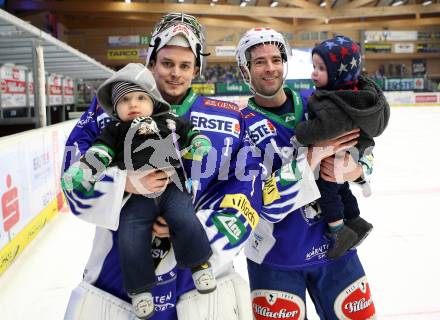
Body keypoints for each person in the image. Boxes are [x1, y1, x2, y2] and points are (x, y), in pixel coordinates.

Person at [62, 13, 261, 320]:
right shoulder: (110, 112)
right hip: (116, 283)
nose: (175, 74)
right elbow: (72, 178)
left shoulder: (231, 117)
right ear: (152, 62)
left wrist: (201, 229)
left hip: (202, 286)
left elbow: (249, 185)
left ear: (197, 68)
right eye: (167, 63)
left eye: (185, 65)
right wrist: (123, 183)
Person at [236, 28, 377, 319]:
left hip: (338, 250)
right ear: (244, 69)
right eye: (259, 61)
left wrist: (357, 170)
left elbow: (365, 150)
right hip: (275, 260)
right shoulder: (237, 126)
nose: (270, 67)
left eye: (276, 58)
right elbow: (260, 202)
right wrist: (311, 158)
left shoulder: (321, 103)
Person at [62, 63, 217, 319]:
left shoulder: (167, 120)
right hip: (135, 196)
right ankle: (140, 290)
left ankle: (200, 263)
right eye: (124, 99)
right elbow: (99, 154)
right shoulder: (112, 130)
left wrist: (198, 142)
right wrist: (83, 170)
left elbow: (189, 133)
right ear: (115, 107)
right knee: (130, 235)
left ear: (153, 101)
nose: (133, 104)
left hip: (172, 186)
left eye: (140, 97)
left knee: (185, 218)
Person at [294, 35, 390, 258]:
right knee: (342, 189)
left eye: (320, 68)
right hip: (351, 151)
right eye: (314, 66)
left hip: (337, 156)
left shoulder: (333, 103)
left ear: (338, 73)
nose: (313, 73)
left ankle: (338, 230)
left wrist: (301, 134)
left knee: (327, 189)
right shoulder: (356, 95)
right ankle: (356, 221)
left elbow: (322, 129)